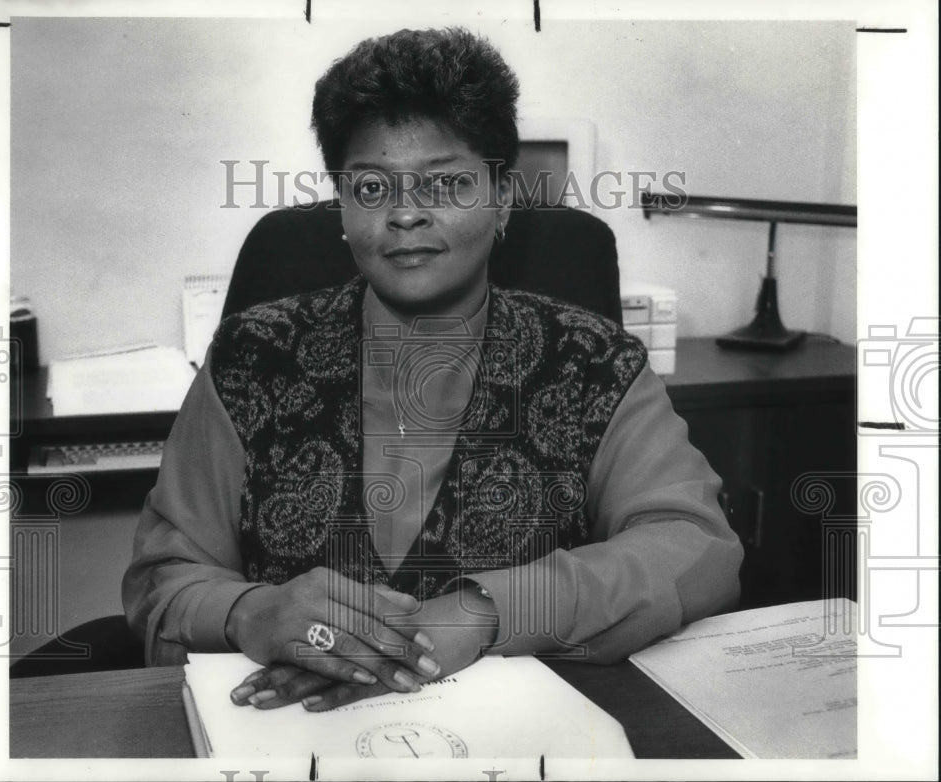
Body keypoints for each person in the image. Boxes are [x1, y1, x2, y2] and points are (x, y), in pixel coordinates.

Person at [122, 27, 743, 713]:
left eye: (446, 182)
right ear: (342, 206)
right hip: (294, 741)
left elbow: (695, 548)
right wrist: (250, 612)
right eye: (369, 187)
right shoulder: (252, 358)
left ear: (502, 197)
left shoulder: (595, 365)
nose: (406, 213)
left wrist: (484, 613)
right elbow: (164, 576)